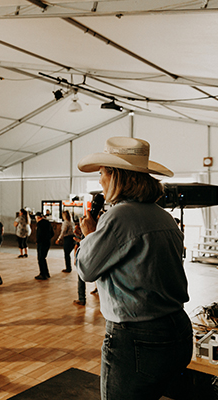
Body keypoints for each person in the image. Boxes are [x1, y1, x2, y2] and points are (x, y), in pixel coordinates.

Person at [76, 136, 193, 400]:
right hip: (178, 329)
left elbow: (86, 269)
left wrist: (89, 235)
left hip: (138, 338)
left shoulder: (119, 216)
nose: (99, 180)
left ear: (117, 176)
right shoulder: (163, 216)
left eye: (103, 172)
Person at [34, 212, 54, 280]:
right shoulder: (48, 223)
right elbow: (52, 233)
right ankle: (46, 273)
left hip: (41, 243)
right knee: (43, 258)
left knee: (40, 258)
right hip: (47, 242)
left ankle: (43, 274)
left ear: (38, 217)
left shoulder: (39, 224)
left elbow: (39, 234)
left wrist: (38, 241)